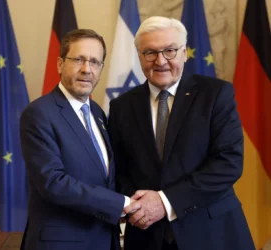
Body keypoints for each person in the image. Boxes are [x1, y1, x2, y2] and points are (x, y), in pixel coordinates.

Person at [108, 16, 254, 250]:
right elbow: (119, 171)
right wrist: (136, 205)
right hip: (147, 237)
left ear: (184, 52)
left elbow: (229, 163)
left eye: (170, 51)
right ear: (140, 57)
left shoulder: (216, 94)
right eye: (150, 53)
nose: (160, 61)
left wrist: (165, 201)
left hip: (212, 234)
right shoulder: (121, 106)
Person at [19, 29, 132, 250]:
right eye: (78, 60)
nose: (86, 69)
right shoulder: (39, 113)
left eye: (94, 62)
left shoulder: (98, 114)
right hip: (61, 243)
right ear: (60, 64)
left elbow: (103, 175)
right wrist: (122, 203)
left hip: (103, 239)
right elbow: (53, 182)